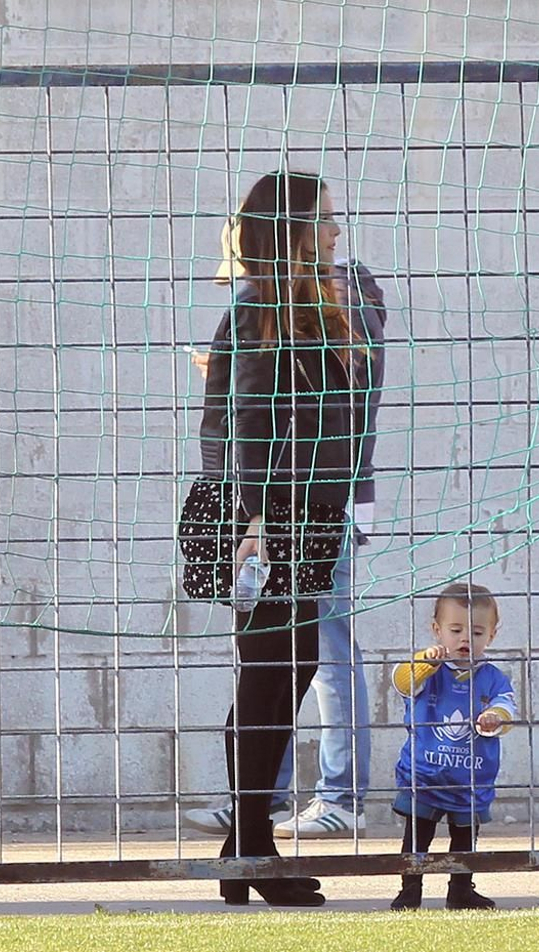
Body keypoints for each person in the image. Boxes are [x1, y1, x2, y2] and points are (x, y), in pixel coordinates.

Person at [184, 198, 387, 841]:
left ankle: (333, 796)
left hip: (305, 503)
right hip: (276, 502)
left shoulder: (339, 296)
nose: (335, 229)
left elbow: (309, 404)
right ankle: (257, 806)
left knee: (316, 649)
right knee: (276, 657)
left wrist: (256, 516)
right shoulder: (278, 308)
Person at [389, 582, 516, 911]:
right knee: (417, 835)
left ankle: (461, 889)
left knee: (465, 837)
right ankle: (409, 889)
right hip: (425, 775)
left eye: (476, 632)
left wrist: (495, 718)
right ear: (437, 630)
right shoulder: (429, 671)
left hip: (470, 777)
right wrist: (424, 662)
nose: (465, 639)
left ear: (491, 636)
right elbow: (401, 682)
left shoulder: (494, 678)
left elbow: (508, 710)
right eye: (456, 630)